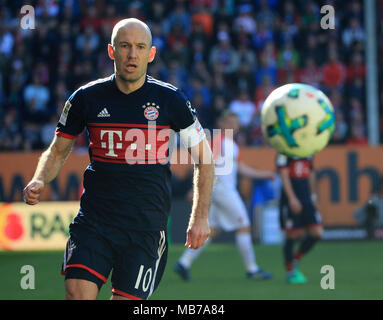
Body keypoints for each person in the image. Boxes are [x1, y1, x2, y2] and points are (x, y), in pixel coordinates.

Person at [23, 18, 214, 300]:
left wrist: (200, 217)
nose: (132, 54)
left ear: (151, 54)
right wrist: (40, 178)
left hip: (145, 227)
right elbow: (57, 150)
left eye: (140, 47)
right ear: (112, 51)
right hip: (95, 221)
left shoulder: (171, 100)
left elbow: (205, 159)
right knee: (77, 294)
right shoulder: (85, 98)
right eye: (125, 46)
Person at [174, 111, 274, 281]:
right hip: (222, 190)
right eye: (231, 122)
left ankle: (184, 263)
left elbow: (241, 168)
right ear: (223, 123)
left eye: (236, 122)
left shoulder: (231, 145)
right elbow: (204, 163)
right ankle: (252, 269)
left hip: (218, 191)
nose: (235, 125)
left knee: (212, 231)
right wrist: (195, 188)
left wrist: (264, 174)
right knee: (244, 225)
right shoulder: (219, 141)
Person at [276, 152, 322, 284]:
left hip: (307, 199)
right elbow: (284, 176)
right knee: (293, 235)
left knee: (317, 233)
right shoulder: (284, 153)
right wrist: (291, 198)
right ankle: (290, 272)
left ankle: (295, 260)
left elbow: (311, 173)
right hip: (291, 200)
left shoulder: (308, 150)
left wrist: (313, 196)